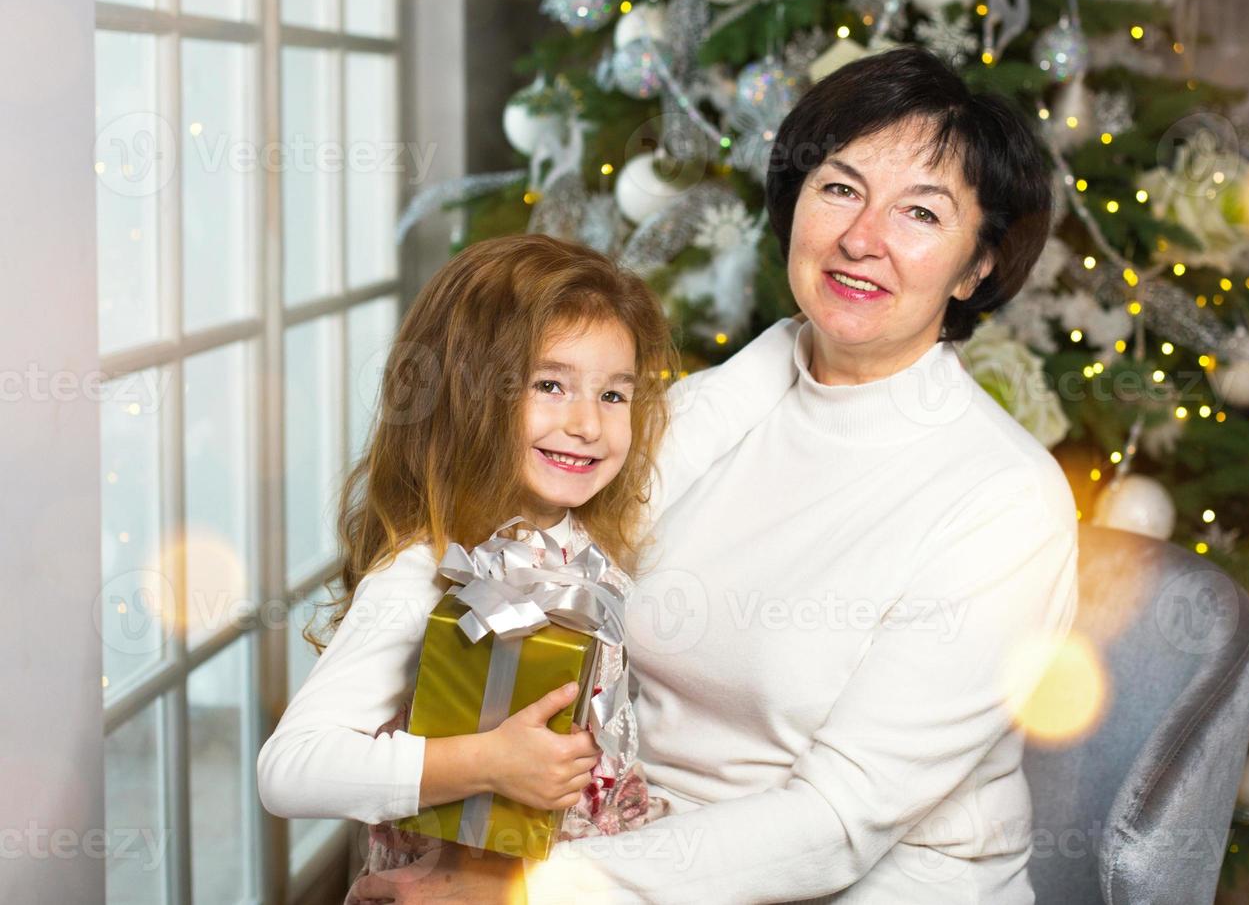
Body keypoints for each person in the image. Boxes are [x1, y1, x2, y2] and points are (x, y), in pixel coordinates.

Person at [351, 45, 1080, 904]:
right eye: (840, 188)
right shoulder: (701, 412)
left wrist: (525, 891)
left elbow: (839, 823)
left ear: (977, 265)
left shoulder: (1002, 499)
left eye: (921, 214)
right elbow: (529, 604)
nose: (861, 238)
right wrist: (473, 846)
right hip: (629, 837)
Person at [256, 235, 802, 887]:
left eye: (612, 395)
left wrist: (816, 324)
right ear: (467, 395)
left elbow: (716, 411)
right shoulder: (425, 572)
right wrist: (485, 762)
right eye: (550, 384)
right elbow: (289, 771)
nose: (587, 426)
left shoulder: (593, 529)